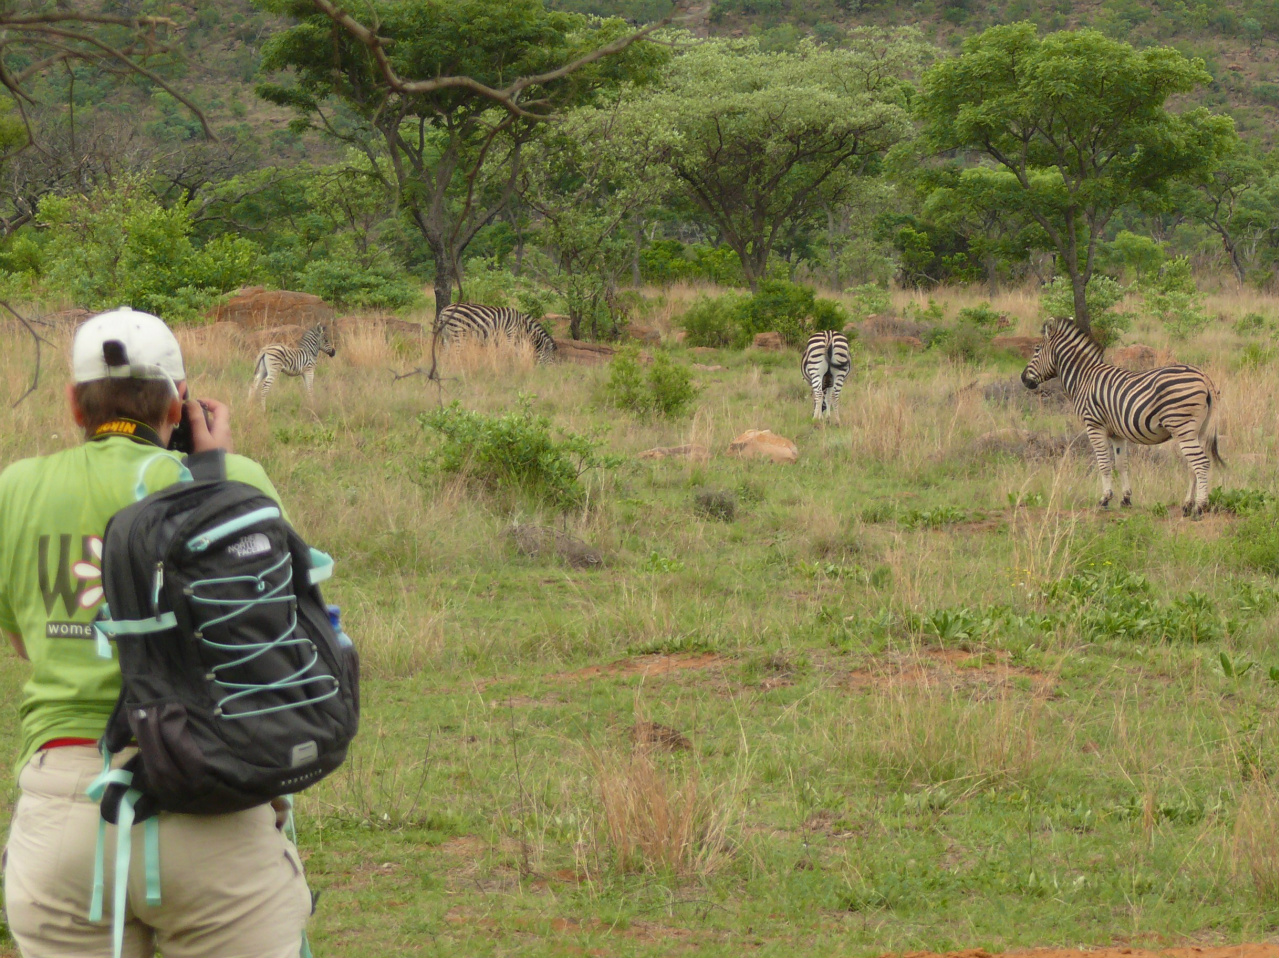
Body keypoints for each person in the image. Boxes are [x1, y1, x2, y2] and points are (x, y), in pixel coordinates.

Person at [0, 307, 312, 957]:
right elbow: (271, 634)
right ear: (180, 405)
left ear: (72, 404)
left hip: (64, 815)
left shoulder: (15, 491)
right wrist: (215, 475)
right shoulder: (236, 484)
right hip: (213, 804)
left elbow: (27, 642)